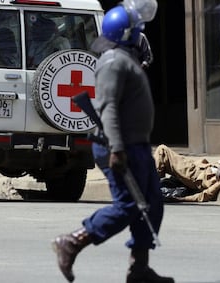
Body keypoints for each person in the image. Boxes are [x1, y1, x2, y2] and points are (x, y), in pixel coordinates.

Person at [51, 3, 174, 283]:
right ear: (127, 33)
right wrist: (117, 148)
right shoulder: (112, 62)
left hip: (136, 146)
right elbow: (108, 108)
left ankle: (139, 269)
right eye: (136, 30)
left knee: (152, 203)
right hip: (118, 147)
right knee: (128, 206)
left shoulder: (124, 58)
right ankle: (71, 241)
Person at [154, 144, 220, 202]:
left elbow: (206, 195)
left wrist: (180, 199)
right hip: (197, 164)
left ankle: (149, 186)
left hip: (193, 174)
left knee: (162, 151)